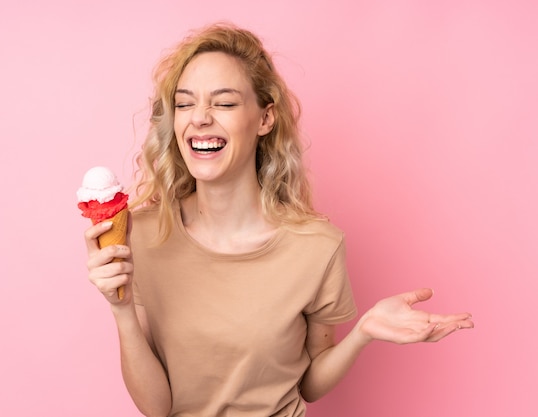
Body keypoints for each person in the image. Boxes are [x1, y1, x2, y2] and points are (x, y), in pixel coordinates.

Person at [83, 23, 474, 417]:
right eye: (184, 104)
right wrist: (120, 309)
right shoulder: (144, 234)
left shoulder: (317, 246)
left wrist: (364, 332)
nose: (199, 118)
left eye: (224, 103)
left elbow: (309, 385)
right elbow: (157, 407)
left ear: (266, 118)